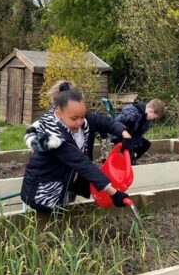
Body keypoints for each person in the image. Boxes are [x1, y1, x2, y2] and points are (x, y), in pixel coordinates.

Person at [21, 85, 133, 213]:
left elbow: (107, 122)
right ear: (59, 113)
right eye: (74, 119)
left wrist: (126, 135)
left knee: (66, 217)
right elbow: (81, 163)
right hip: (45, 189)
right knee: (47, 223)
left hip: (68, 181)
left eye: (82, 117)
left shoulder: (82, 119)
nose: (80, 122)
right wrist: (113, 193)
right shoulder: (54, 136)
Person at [111, 99, 165, 163]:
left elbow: (138, 133)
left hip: (132, 137)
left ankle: (131, 161)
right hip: (120, 138)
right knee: (131, 153)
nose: (153, 119)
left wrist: (135, 150)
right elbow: (115, 124)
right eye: (154, 117)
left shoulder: (145, 118)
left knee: (146, 144)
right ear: (151, 111)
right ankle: (126, 162)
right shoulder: (131, 114)